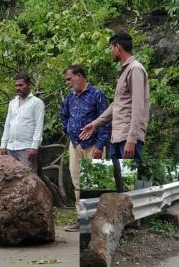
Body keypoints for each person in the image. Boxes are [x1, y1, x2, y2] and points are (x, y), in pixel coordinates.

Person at [79, 31, 150, 159]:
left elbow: (138, 106)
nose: (110, 52)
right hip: (117, 137)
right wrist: (95, 124)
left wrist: (132, 139)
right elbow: (117, 105)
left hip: (127, 138)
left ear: (118, 47)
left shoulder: (135, 69)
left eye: (111, 48)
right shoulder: (124, 71)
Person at [60, 65, 109, 232]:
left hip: (94, 146)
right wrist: (69, 129)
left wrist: (100, 146)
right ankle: (82, 221)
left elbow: (105, 121)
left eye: (69, 79)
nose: (67, 83)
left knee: (95, 184)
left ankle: (99, 221)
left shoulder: (97, 94)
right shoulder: (69, 97)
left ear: (79, 76)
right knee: (77, 184)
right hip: (75, 145)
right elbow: (63, 115)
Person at [0, 73, 45, 172]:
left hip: (27, 148)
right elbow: (7, 125)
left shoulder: (37, 103)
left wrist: (34, 146)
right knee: (11, 179)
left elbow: (39, 125)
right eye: (16, 86)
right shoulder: (12, 103)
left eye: (21, 85)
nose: (18, 88)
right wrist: (3, 145)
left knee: (28, 180)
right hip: (11, 148)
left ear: (29, 85)